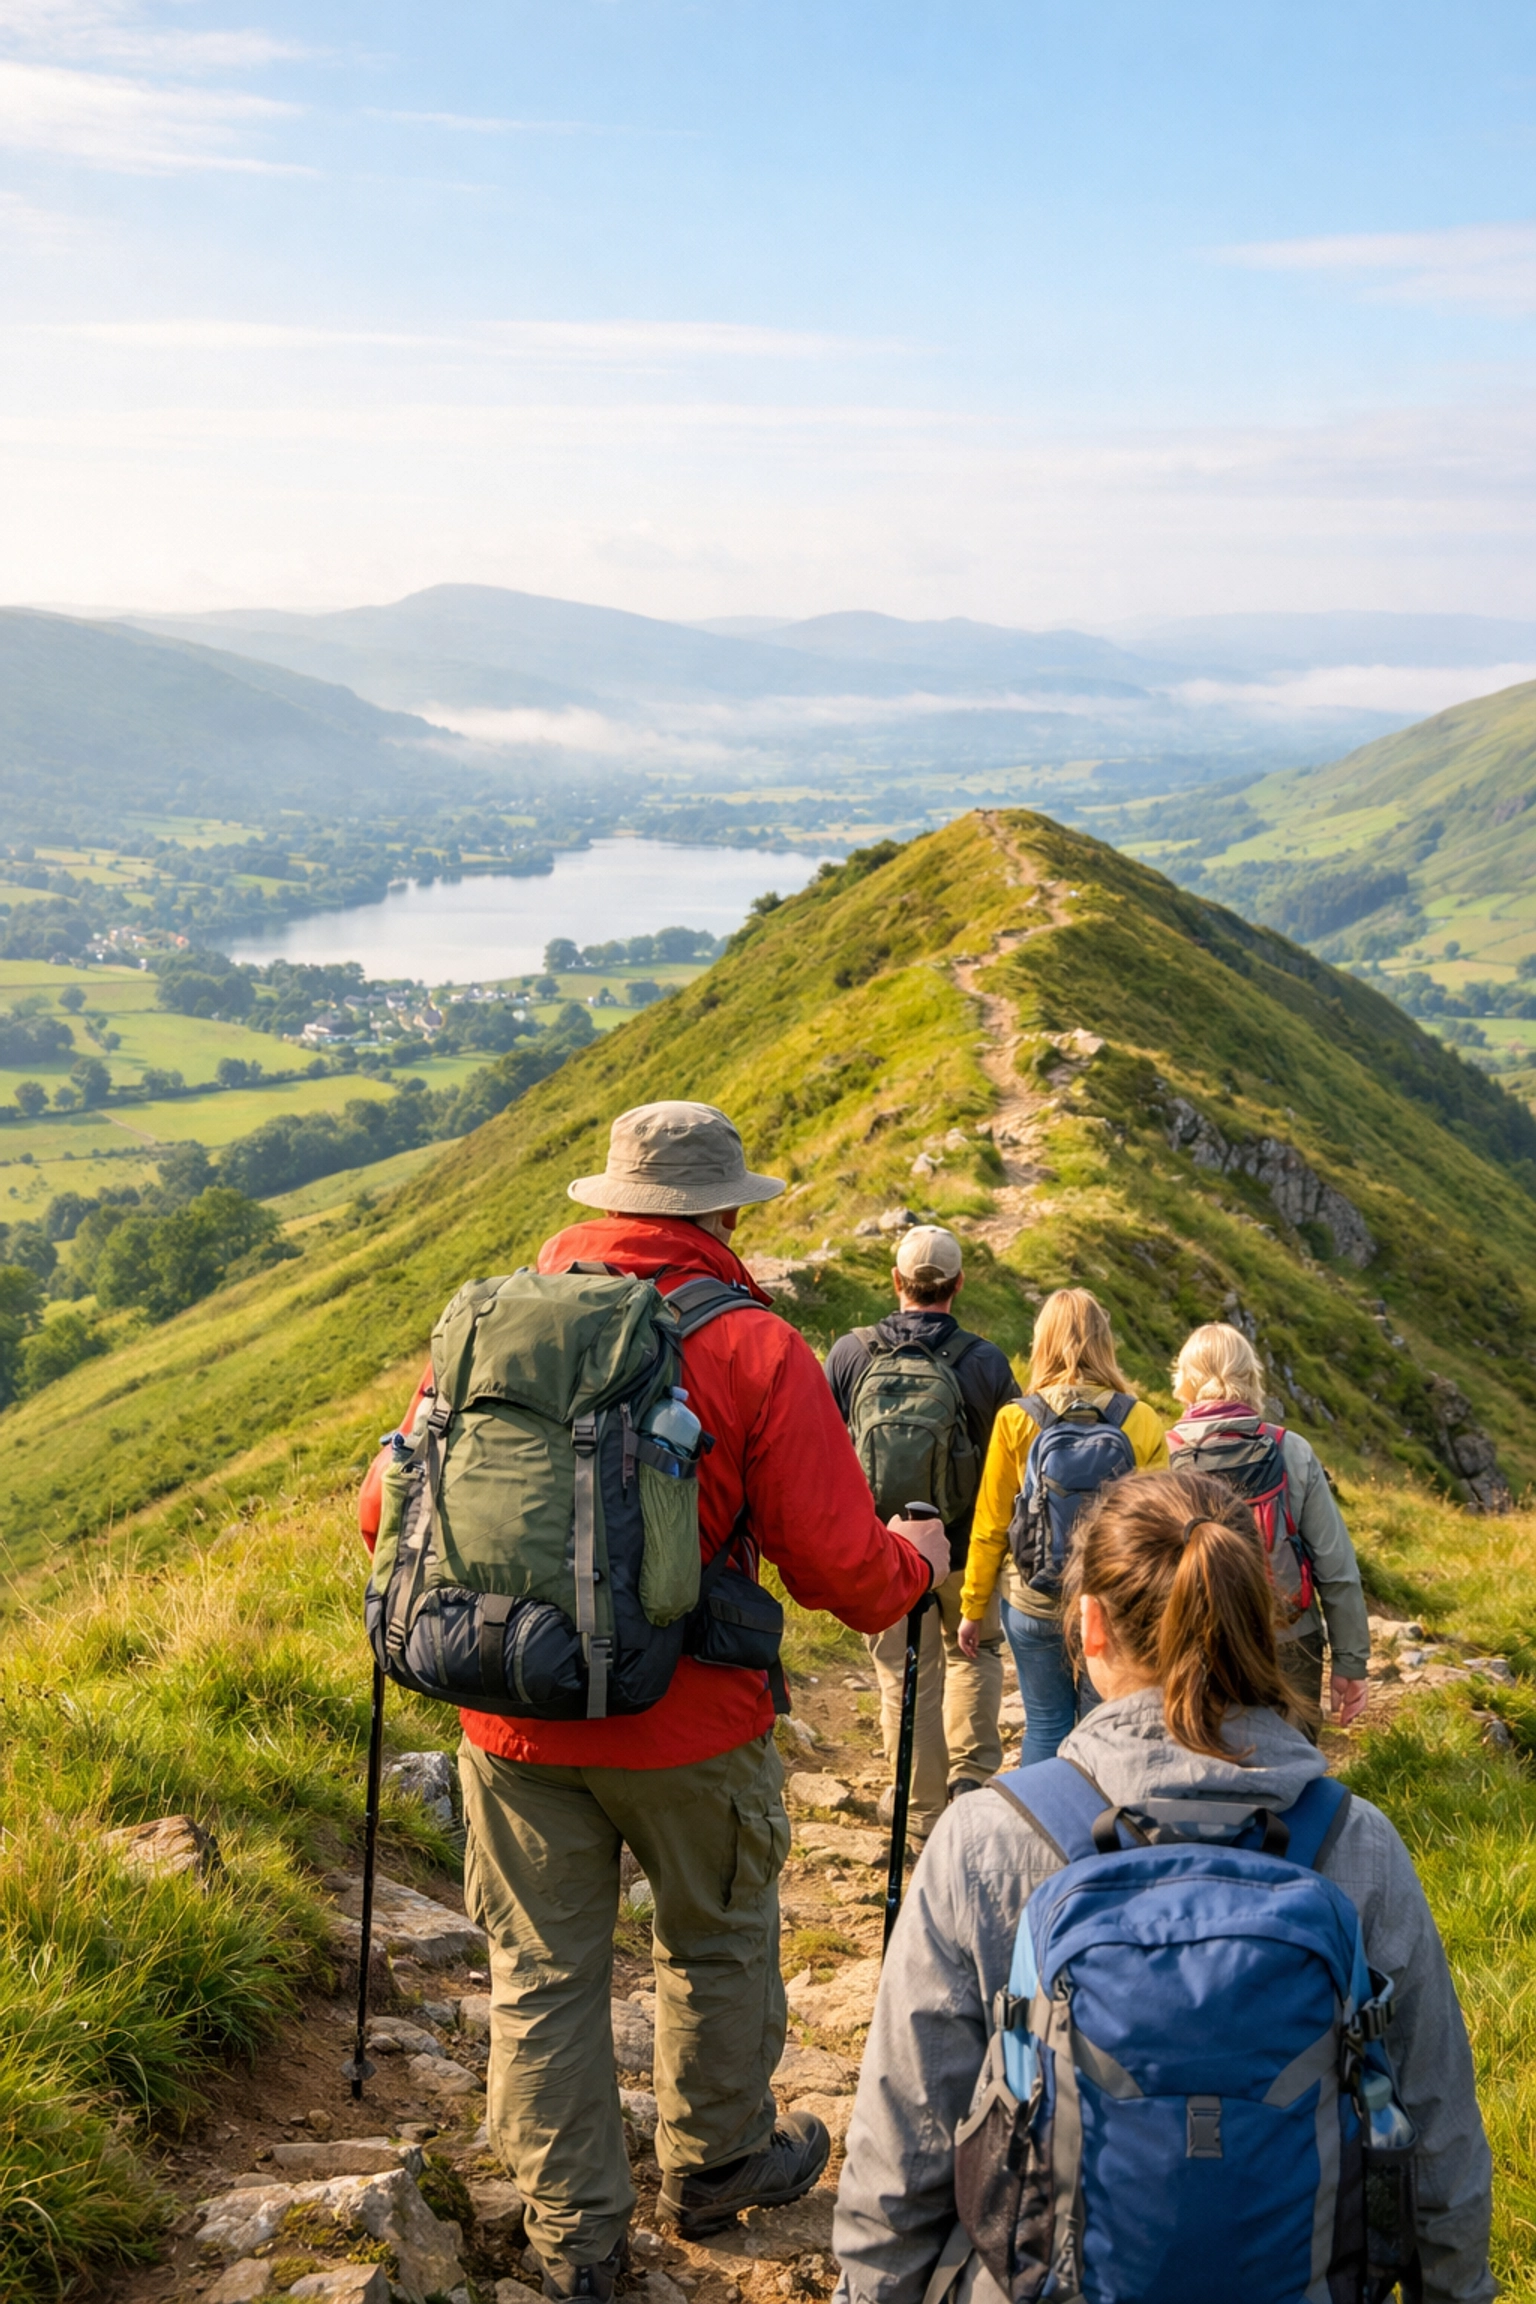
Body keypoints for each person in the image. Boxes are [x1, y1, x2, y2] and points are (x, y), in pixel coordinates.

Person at [358, 1101, 951, 2300]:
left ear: (608, 1205)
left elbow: (384, 1509)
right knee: (718, 1941)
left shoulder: (489, 1325)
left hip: (513, 1714)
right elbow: (841, 1571)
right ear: (722, 1211)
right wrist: (919, 1565)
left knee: (540, 1971)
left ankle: (572, 2242)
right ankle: (719, 2165)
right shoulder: (755, 1349)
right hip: (693, 1727)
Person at [835, 1468, 1495, 2304]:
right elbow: (1438, 2143)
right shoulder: (1357, 1845)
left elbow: (903, 2150)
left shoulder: (985, 1839)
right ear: (1256, 1622)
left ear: (1090, 1624)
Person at [825, 1225, 1021, 1850]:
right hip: (963, 1547)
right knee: (976, 1652)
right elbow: (1008, 1458)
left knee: (902, 1674)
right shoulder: (984, 1361)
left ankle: (919, 1812)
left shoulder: (851, 1354)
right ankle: (970, 1779)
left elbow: (824, 1453)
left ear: (896, 1283)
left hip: (885, 1548)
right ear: (957, 1285)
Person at [956, 1287, 1167, 1762]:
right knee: (1103, 1723)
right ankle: (1103, 1829)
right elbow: (1157, 1526)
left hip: (1034, 1597)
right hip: (1113, 1599)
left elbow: (991, 1522)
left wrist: (972, 1606)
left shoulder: (1016, 1419)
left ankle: (1045, 1829)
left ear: (1041, 1343)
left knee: (1047, 1722)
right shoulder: (1142, 1420)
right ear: (1104, 1341)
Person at [1168, 1320, 1370, 1730]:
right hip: (1291, 1637)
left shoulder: (1166, 1453)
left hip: (1201, 1641)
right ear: (1250, 1376)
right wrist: (1351, 1662)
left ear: (1185, 1379)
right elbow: (1337, 1566)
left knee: (1212, 1765)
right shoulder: (1290, 1449)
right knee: (1296, 1772)